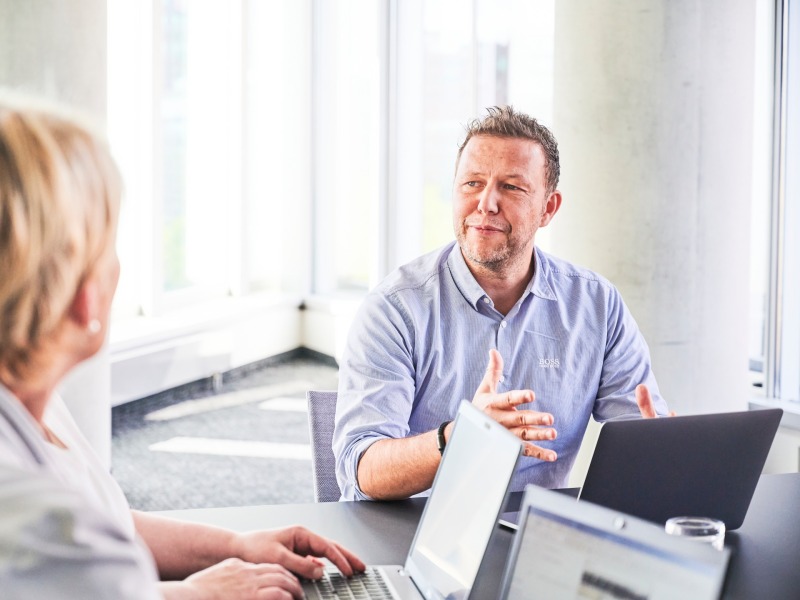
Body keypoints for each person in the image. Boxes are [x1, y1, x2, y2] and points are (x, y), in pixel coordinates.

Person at [0, 95, 364, 598]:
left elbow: (106, 524)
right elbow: (84, 562)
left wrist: (237, 546)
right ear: (86, 299)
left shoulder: (28, 401)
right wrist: (197, 594)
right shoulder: (42, 529)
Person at [334, 106, 671, 501]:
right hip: (413, 534)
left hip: (537, 537)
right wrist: (457, 437)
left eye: (511, 187)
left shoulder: (596, 305)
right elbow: (362, 469)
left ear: (548, 208)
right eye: (472, 183)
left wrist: (663, 450)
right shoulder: (395, 308)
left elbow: (641, 436)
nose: (486, 203)